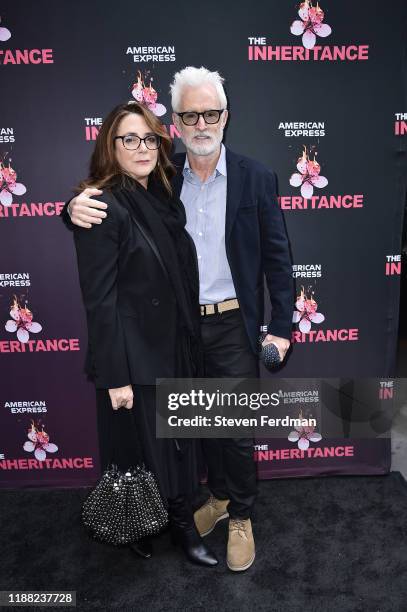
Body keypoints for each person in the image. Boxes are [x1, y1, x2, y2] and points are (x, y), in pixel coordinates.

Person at [64, 67, 294, 572]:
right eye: (189, 114)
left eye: (210, 112)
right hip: (180, 331)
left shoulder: (257, 177)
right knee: (194, 427)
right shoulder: (162, 167)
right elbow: (112, 191)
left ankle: (241, 517)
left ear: (225, 117)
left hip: (233, 324)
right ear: (177, 123)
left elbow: (278, 260)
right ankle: (216, 498)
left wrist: (281, 326)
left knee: (232, 430)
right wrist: (71, 206)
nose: (201, 123)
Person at [69, 99, 218, 567]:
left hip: (175, 344)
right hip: (133, 356)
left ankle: (176, 521)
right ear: (109, 147)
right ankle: (156, 526)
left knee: (177, 445)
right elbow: (100, 300)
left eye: (149, 138)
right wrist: (116, 376)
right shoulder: (101, 205)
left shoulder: (161, 193)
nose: (141, 147)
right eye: (128, 139)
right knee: (145, 448)